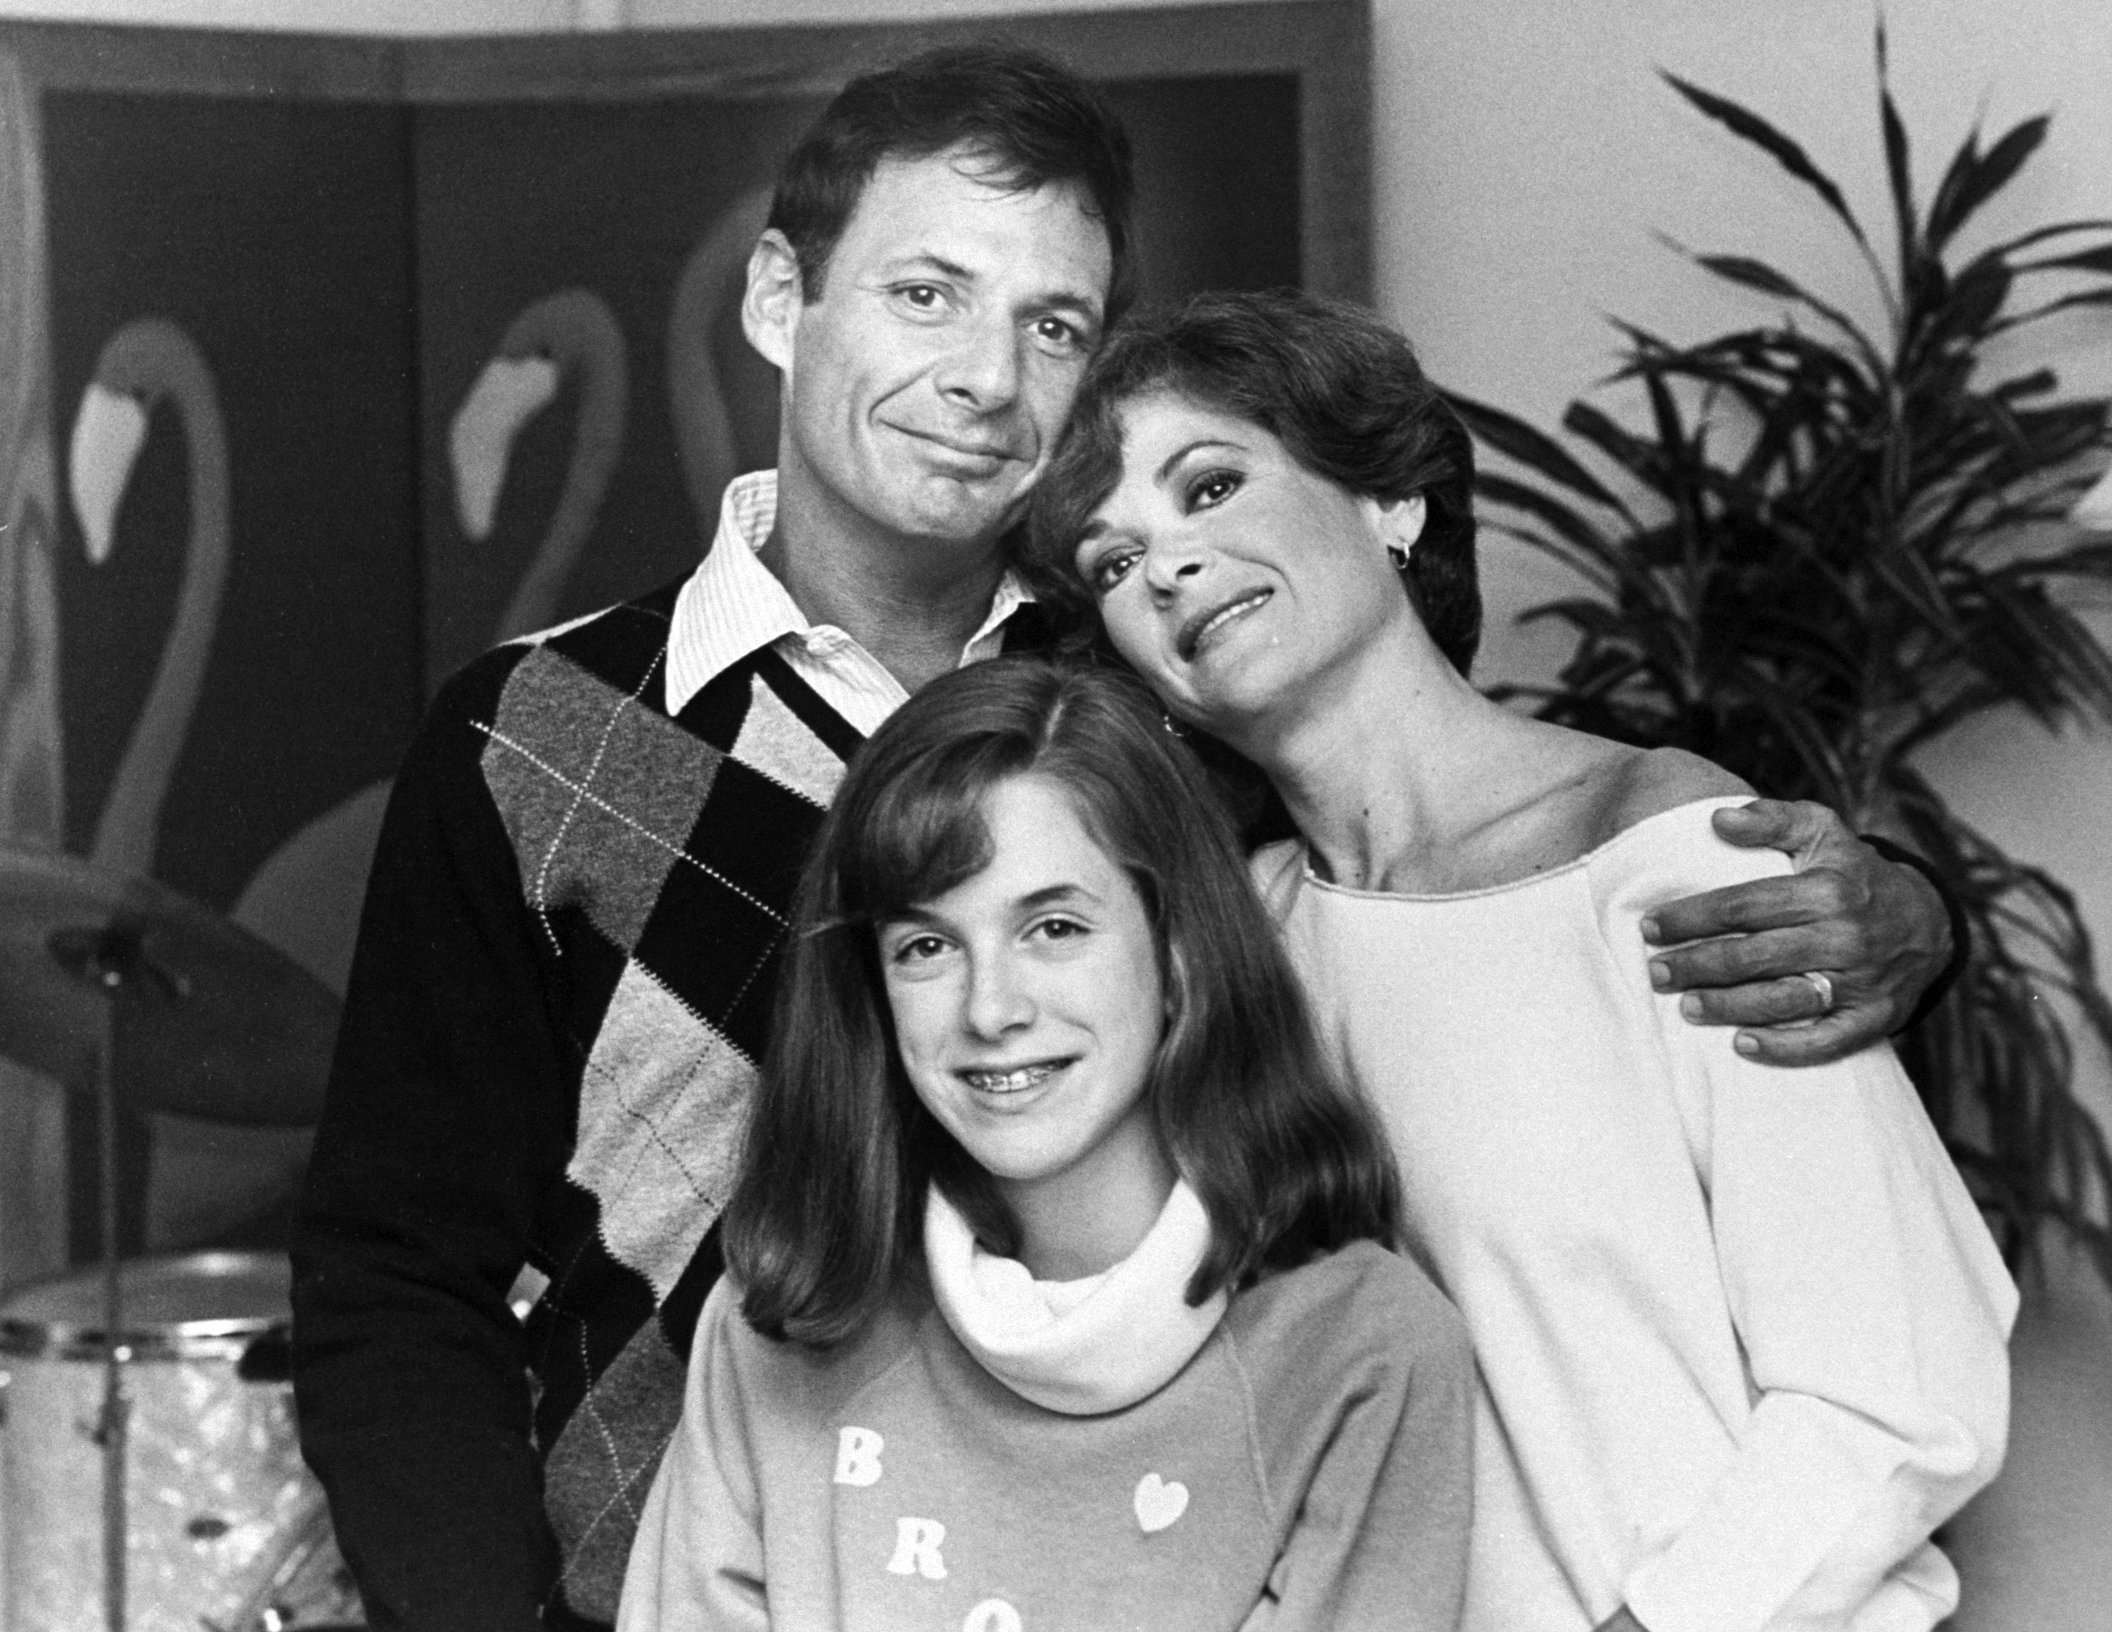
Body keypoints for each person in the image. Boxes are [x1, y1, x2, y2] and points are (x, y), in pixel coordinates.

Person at [293, 41, 1958, 1632]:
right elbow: (394, 1277)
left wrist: (1904, 912)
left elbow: (1479, 875)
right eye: (927, 293)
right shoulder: (531, 737)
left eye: (1052, 323)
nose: (983, 379)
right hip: (663, 1582)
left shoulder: (1172, 706)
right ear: (780, 300)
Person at [1024, 287, 2018, 1632]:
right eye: (1114, 562)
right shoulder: (1229, 954)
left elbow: (1899, 1398)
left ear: (1394, 503)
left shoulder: (1674, 855)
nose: (1172, 568)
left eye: (1210, 487)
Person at [619, 657, 1474, 1632]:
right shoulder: (783, 1314)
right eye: (926, 946)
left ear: (1178, 958)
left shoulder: (1365, 1353)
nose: (991, 1009)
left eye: (1054, 928)